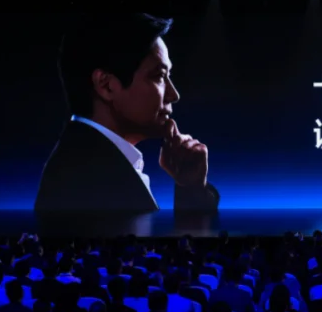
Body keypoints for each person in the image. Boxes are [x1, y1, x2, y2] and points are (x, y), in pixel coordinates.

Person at [34, 13, 219, 213]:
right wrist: (191, 192)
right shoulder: (90, 180)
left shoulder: (87, 163)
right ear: (106, 85)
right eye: (159, 76)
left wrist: (190, 187)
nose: (174, 95)